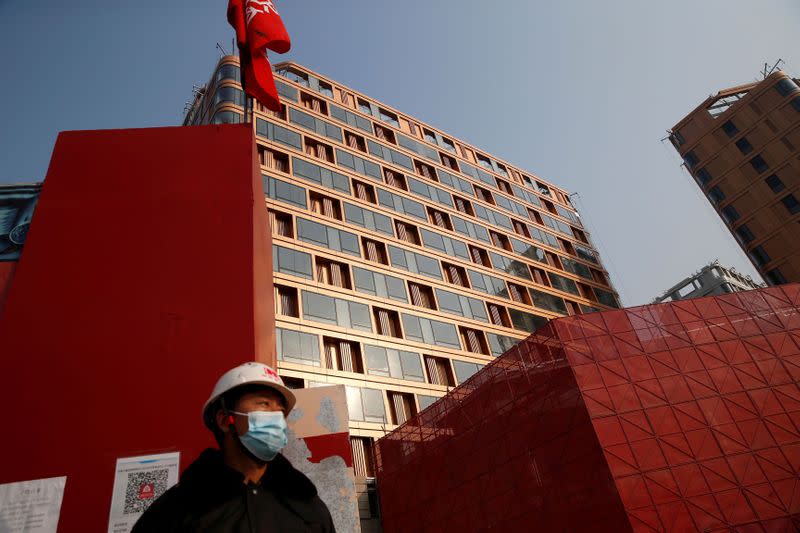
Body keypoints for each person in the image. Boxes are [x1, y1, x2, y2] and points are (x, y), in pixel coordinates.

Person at [132, 362, 335, 532]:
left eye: (281, 411)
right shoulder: (177, 511)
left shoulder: (307, 505)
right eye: (263, 404)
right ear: (224, 420)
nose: (277, 418)